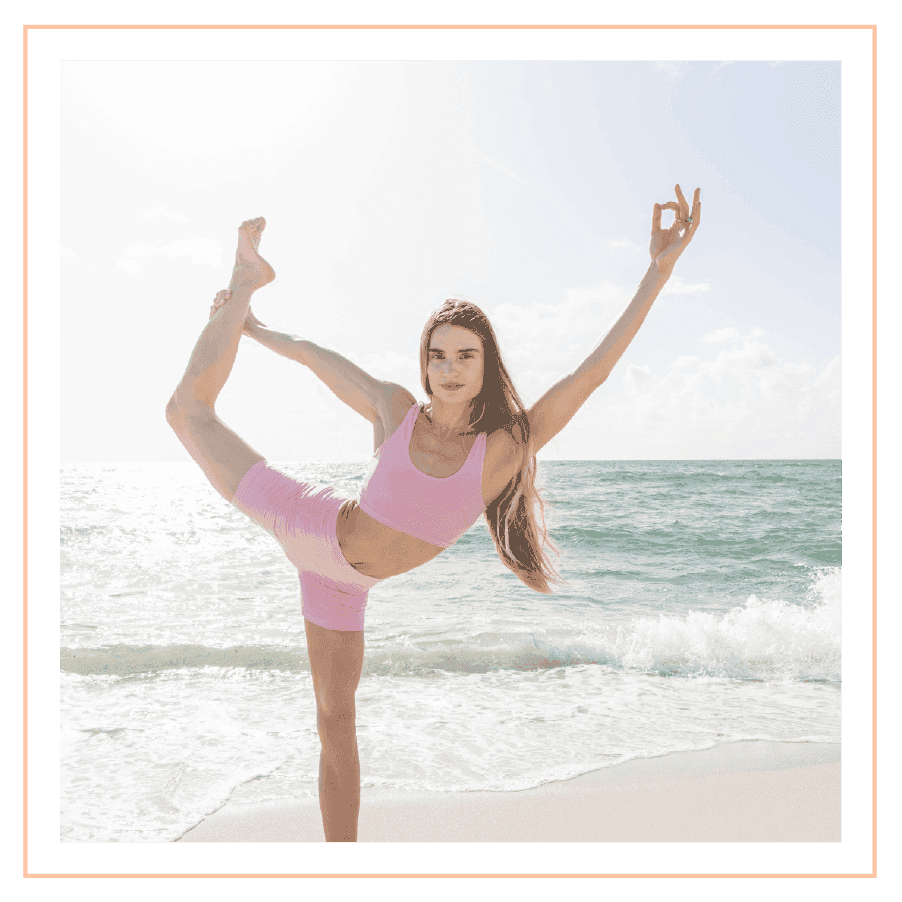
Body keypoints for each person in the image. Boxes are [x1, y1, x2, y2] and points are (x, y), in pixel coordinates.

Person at [165, 184, 701, 842]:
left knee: (336, 719)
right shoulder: (394, 409)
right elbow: (310, 354)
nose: (449, 367)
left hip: (342, 583)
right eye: (438, 354)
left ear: (485, 364)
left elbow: (590, 373)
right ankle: (246, 278)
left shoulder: (503, 450)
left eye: (464, 355)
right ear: (424, 363)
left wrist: (658, 270)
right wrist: (252, 325)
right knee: (185, 412)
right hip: (304, 521)